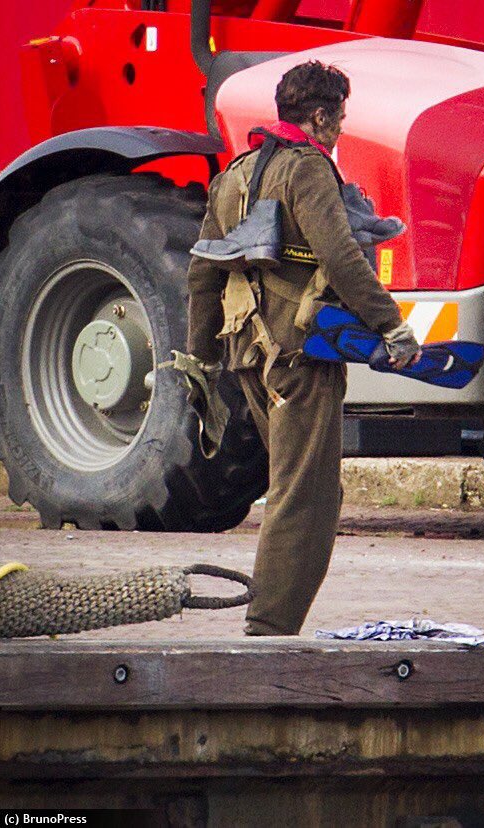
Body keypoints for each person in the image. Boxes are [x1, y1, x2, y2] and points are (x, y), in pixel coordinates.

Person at [186, 60, 420, 636]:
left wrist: (201, 359)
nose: (340, 130)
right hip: (299, 358)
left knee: (300, 485)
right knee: (305, 495)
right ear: (318, 117)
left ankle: (272, 620)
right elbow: (340, 258)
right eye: (338, 119)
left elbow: (202, 274)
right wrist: (392, 326)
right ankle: (270, 628)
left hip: (249, 355)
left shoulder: (238, 173)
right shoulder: (307, 170)